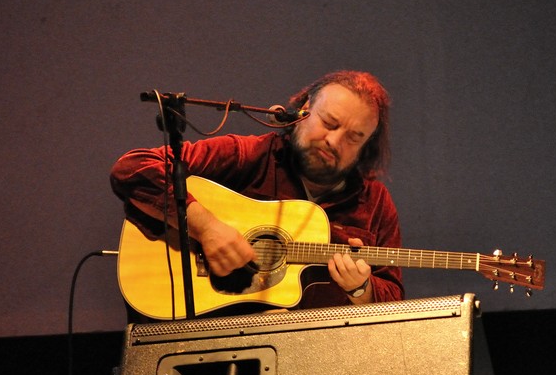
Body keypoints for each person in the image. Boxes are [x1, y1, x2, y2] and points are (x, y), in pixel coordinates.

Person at [111, 71, 404, 317]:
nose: (334, 141)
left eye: (354, 137)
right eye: (329, 123)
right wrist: (207, 228)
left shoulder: (375, 202)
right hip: (219, 345)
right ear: (302, 111)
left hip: (320, 359)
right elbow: (133, 168)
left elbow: (393, 296)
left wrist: (362, 290)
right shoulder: (250, 155)